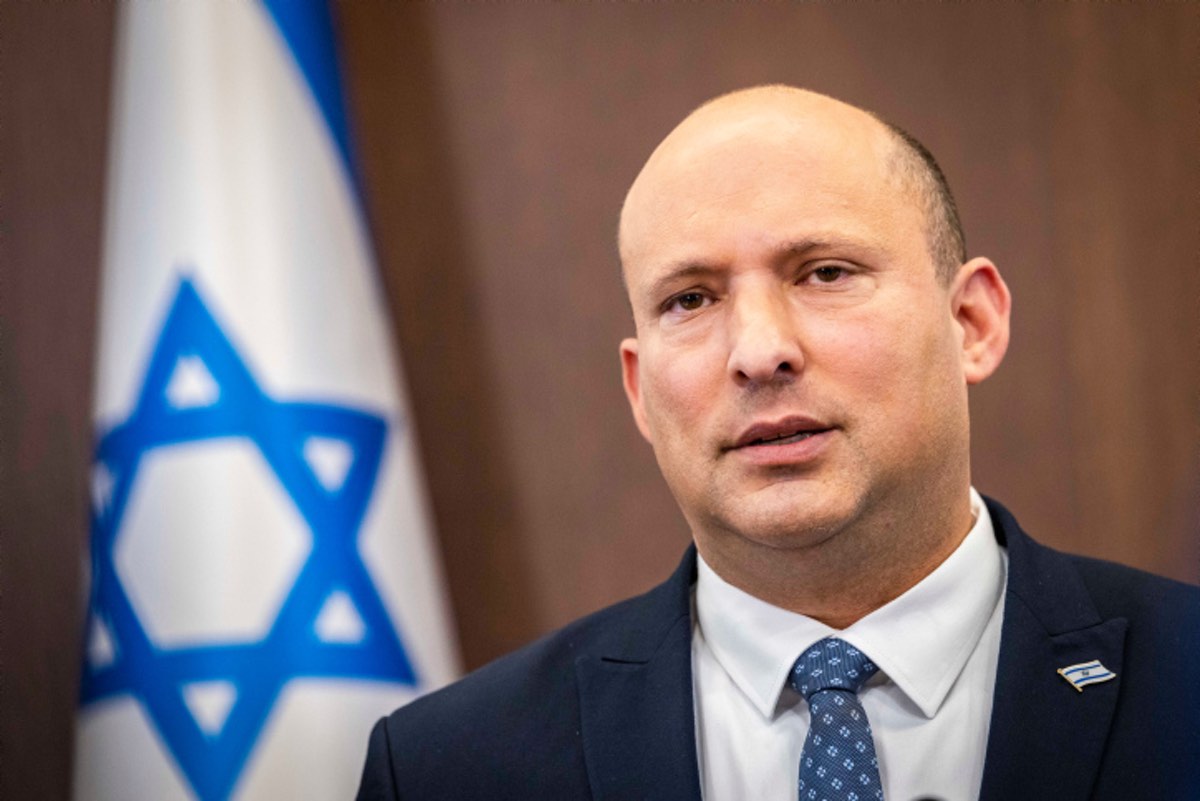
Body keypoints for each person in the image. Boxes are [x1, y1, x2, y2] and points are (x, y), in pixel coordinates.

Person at [355, 86, 1200, 800]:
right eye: (690, 299)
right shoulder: (446, 767)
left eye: (825, 272)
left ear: (971, 323)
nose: (759, 351)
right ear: (640, 387)